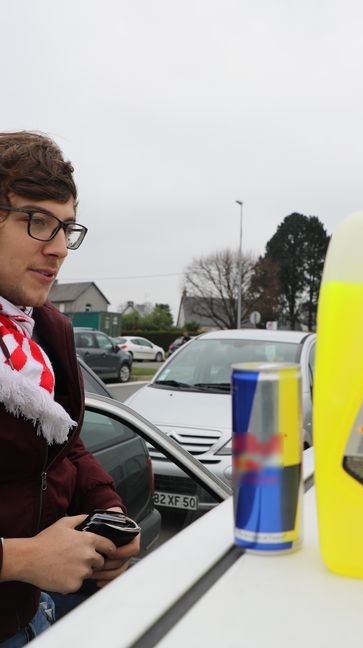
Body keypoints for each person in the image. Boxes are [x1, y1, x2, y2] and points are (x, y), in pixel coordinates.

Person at [0, 131, 140, 646]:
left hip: (36, 614)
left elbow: (67, 443)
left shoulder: (49, 328)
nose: (58, 249)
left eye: (66, 228)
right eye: (35, 220)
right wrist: (22, 558)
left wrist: (113, 513)